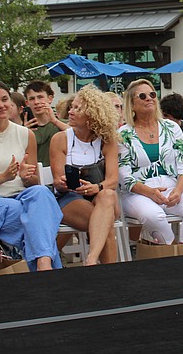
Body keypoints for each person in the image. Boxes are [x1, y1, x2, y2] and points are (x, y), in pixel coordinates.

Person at [0, 80, 63, 271]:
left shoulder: (26, 134)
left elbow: (33, 183)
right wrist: (3, 177)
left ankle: (43, 265)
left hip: (21, 197)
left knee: (41, 193)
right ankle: (46, 267)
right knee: (38, 220)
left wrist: (26, 177)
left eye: (4, 99)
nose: (1, 105)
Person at [118, 79, 183, 247]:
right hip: (137, 192)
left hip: (171, 187)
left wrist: (179, 190)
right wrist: (149, 192)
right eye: (142, 96)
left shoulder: (171, 127)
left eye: (152, 94)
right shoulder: (123, 134)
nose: (149, 99)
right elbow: (124, 176)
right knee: (154, 215)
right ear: (132, 104)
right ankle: (172, 250)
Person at [50, 85, 121, 265]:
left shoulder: (107, 140)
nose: (71, 112)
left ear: (92, 113)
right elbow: (57, 181)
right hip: (69, 198)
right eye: (71, 107)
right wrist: (65, 182)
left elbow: (112, 180)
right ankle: (98, 267)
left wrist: (96, 187)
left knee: (108, 194)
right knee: (106, 225)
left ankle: (91, 260)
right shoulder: (60, 139)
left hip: (99, 196)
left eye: (77, 108)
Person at [24, 81, 70, 168]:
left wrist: (55, 121)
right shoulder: (24, 128)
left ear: (50, 98)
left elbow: (77, 135)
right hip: (35, 176)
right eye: (32, 99)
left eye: (40, 97)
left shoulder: (62, 124)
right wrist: (23, 132)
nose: (36, 102)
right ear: (27, 103)